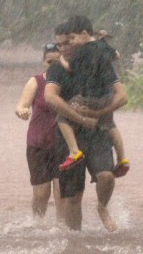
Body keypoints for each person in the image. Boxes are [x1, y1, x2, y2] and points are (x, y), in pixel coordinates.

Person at [45, 18, 127, 232]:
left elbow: (121, 95)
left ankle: (102, 206)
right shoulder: (56, 70)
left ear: (79, 39)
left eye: (68, 42)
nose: (64, 48)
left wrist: (99, 113)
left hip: (97, 132)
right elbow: (51, 98)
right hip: (68, 137)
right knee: (72, 196)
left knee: (107, 176)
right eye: (59, 45)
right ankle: (76, 241)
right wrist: (81, 118)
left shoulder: (97, 62)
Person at [56, 24, 129, 178]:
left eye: (72, 39)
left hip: (88, 97)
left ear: (83, 34)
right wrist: (102, 42)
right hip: (106, 97)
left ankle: (74, 151)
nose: (72, 43)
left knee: (62, 116)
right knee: (110, 125)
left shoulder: (81, 51)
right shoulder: (102, 50)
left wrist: (61, 59)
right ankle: (122, 158)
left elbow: (69, 68)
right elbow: (117, 55)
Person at [15, 42, 65, 220]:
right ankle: (37, 226)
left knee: (61, 192)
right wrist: (22, 111)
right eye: (49, 62)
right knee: (41, 194)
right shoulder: (36, 81)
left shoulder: (69, 83)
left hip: (63, 144)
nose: (53, 66)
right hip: (38, 144)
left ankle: (63, 231)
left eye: (57, 62)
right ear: (44, 62)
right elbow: (21, 105)